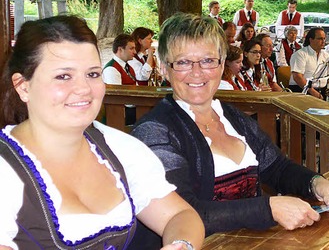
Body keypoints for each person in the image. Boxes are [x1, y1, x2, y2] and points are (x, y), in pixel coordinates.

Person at [131, 13, 329, 244]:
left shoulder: (231, 116)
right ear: (164, 68)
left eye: (208, 60)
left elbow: (277, 167)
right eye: (182, 62)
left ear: (222, 64)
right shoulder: (154, 132)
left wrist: (316, 183)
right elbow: (184, 214)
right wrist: (268, 208)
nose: (197, 72)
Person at [0, 15, 204, 249]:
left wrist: (181, 244)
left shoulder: (119, 147)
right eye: (63, 76)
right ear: (22, 86)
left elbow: (179, 216)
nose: (83, 89)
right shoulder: (5, 171)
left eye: (93, 74)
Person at [289, 28, 329, 99]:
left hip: (322, 89)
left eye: (324, 39)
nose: (323, 41)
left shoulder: (326, 55)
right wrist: (314, 93)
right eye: (320, 39)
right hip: (303, 89)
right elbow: (297, 77)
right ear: (311, 40)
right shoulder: (300, 54)